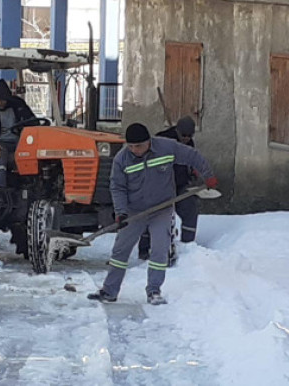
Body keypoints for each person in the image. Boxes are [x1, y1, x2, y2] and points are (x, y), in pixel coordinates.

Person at [88, 123, 218, 305]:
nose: (135, 150)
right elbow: (117, 187)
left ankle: (154, 291)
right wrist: (121, 212)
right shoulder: (122, 159)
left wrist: (208, 175)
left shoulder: (166, 147)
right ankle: (109, 291)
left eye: (139, 146)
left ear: (149, 141)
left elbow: (192, 156)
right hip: (134, 211)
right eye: (131, 146)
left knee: (159, 249)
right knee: (120, 250)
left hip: (161, 208)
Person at [138, 116, 199, 262]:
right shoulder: (161, 140)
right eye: (183, 135)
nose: (186, 139)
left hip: (179, 185)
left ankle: (187, 246)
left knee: (190, 207)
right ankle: (144, 250)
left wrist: (193, 170)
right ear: (177, 131)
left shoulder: (189, 143)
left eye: (189, 136)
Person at [0, 79, 36, 204]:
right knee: (0, 154)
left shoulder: (18, 106)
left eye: (3, 100)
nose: (0, 102)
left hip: (18, 143)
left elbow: (31, 121)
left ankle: (33, 187)